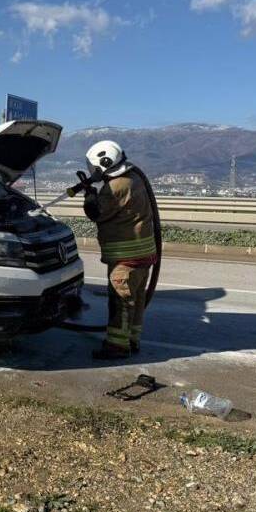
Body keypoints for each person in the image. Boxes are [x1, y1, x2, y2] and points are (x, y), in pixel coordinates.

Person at [81, 140, 156, 360]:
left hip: (125, 258)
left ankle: (116, 346)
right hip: (144, 254)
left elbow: (96, 213)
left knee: (120, 301)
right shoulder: (135, 177)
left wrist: (89, 194)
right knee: (136, 300)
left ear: (102, 164)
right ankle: (132, 339)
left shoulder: (115, 187)